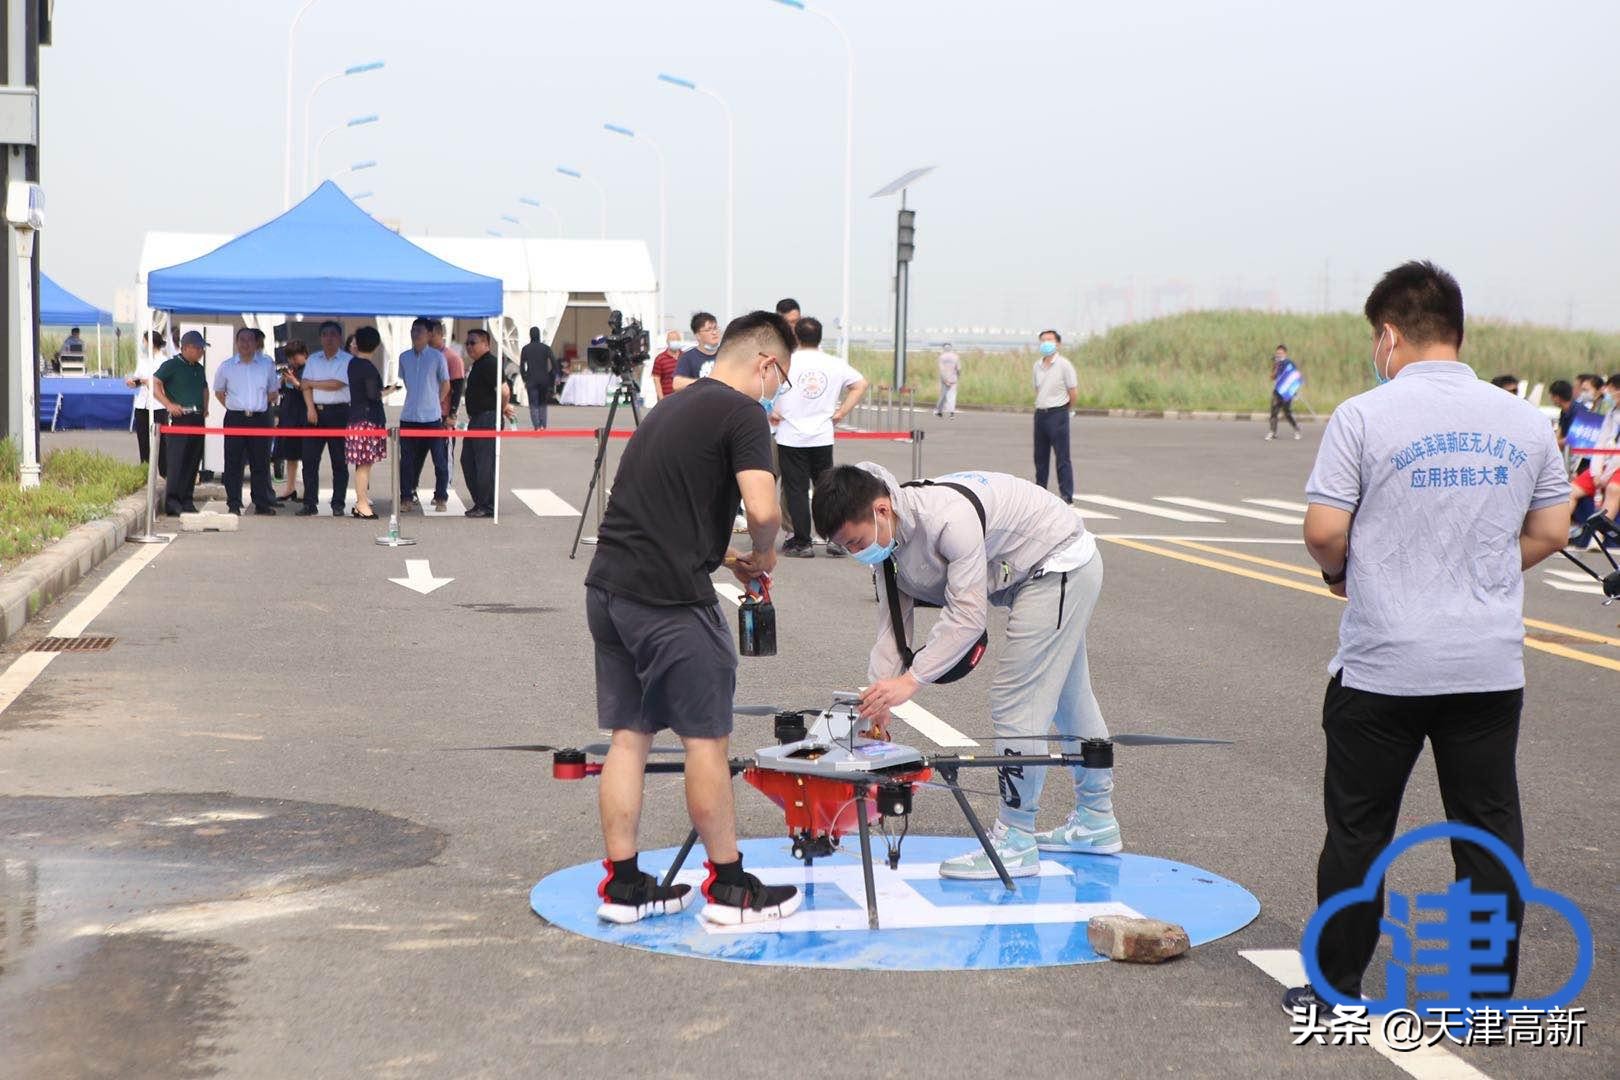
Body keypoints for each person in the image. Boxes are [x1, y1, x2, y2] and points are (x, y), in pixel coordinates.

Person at [1285, 260, 1569, 1015]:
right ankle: (1484, 988)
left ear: (1388, 336)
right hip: (1487, 666)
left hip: (1384, 667)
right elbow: (1551, 529)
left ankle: (1334, 986)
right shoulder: (1523, 420)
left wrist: (1345, 570)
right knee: (1487, 832)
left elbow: (1322, 532)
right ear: (1459, 333)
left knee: (1359, 832)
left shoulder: (1363, 416)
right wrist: (1482, 570)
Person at [585, 310, 802, 926]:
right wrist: (762, 553)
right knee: (706, 740)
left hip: (609, 589)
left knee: (628, 737)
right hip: (668, 602)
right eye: (780, 379)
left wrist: (725, 558)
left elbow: (664, 506)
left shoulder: (672, 406)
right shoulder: (744, 414)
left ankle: (623, 886)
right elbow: (763, 508)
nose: (776, 390)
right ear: (765, 363)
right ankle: (730, 887)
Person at [812, 462, 1120, 879]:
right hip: (1035, 575)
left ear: (881, 510)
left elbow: (968, 618)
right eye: (845, 547)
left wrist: (911, 681)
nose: (855, 553)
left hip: (1059, 563)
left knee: (1017, 700)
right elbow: (892, 630)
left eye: (856, 541)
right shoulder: (889, 547)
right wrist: (879, 698)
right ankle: (1096, 821)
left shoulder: (946, 520)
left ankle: (1015, 840)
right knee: (1071, 698)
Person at [774, 316, 867, 558]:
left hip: (791, 435)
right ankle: (836, 539)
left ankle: (802, 541)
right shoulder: (834, 363)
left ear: (796, 336)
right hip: (822, 435)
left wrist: (771, 408)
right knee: (827, 489)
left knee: (796, 490)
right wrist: (841, 412)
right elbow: (860, 384)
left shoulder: (785, 362)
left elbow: (764, 387)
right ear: (820, 337)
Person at [212, 327, 280, 515]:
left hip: (259, 418)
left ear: (256, 342)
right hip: (236, 417)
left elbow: (273, 392)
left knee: (260, 462)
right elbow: (219, 392)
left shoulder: (266, 365)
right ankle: (234, 503)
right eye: (242, 340)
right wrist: (235, 406)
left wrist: (257, 404)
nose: (245, 344)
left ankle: (261, 502)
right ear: (236, 342)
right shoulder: (227, 366)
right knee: (233, 462)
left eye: (250, 340)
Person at [397, 317, 452, 513]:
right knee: (407, 461)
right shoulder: (404, 357)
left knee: (439, 460)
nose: (415, 333)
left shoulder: (437, 357)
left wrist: (435, 401)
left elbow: (446, 383)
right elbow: (406, 382)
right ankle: (406, 496)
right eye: (413, 330)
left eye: (419, 330)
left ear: (429, 334)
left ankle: (440, 496)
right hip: (409, 417)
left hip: (432, 418)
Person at [152, 330, 210, 515]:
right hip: (180, 418)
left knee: (193, 460)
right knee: (177, 461)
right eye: (199, 348)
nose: (201, 352)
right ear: (187, 347)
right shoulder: (172, 365)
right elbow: (154, 383)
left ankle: (187, 499)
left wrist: (205, 407)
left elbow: (204, 388)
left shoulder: (199, 368)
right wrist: (168, 404)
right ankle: (173, 501)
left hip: (197, 417)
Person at [298, 320, 352, 517]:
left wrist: (312, 383)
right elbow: (304, 386)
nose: (329, 338)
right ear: (320, 338)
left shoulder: (346, 360)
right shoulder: (313, 359)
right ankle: (309, 503)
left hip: (339, 412)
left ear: (339, 338)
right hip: (315, 413)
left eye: (333, 334)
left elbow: (337, 384)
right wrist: (310, 408)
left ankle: (338, 503)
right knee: (310, 460)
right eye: (325, 334)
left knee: (339, 461)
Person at [459, 329, 513, 518]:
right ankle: (480, 501)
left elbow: (505, 391)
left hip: (487, 418)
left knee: (484, 464)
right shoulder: (478, 364)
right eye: (467, 343)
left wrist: (501, 407)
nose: (469, 347)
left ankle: (487, 505)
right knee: (468, 460)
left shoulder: (490, 363)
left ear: (485, 344)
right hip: (477, 418)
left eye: (473, 343)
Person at [346, 327, 388, 520]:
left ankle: (361, 501)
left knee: (362, 464)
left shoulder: (353, 363)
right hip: (367, 419)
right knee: (364, 464)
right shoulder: (368, 367)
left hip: (355, 417)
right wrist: (387, 391)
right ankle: (362, 503)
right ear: (376, 345)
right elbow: (373, 395)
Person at [1032, 329, 1077, 503]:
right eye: (1043, 341)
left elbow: (1072, 391)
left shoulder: (1064, 365)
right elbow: (1037, 389)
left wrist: (1067, 409)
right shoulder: (1037, 365)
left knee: (1062, 457)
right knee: (1040, 457)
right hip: (1041, 414)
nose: (1046, 344)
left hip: (1058, 413)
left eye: (1049, 340)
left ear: (1058, 344)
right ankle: (1039, 492)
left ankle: (1066, 495)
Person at [273, 341, 310, 500]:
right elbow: (278, 390)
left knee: (308, 456)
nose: (292, 361)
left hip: (304, 414)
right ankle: (290, 488)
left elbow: (309, 389)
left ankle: (309, 489)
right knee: (291, 455)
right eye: (290, 358)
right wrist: (283, 379)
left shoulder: (310, 369)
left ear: (304, 354)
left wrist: (295, 382)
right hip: (289, 414)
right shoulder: (291, 369)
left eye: (295, 357)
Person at [128, 330, 167, 467]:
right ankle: (145, 467)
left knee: (161, 441)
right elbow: (137, 379)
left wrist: (147, 381)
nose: (143, 344)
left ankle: (163, 470)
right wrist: (132, 382)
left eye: (144, 341)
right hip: (142, 404)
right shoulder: (143, 361)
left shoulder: (164, 361)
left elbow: (162, 382)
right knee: (143, 439)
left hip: (158, 405)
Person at [672, 311, 721, 391]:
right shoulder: (688, 357)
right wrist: (706, 382)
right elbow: (676, 384)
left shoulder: (726, 354)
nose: (714, 332)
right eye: (708, 330)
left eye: (715, 328)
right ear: (697, 335)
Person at [520, 326, 558, 429]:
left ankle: (536, 425)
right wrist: (551, 375)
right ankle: (543, 425)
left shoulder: (525, 349)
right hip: (544, 379)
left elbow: (522, 366)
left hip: (531, 379)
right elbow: (554, 363)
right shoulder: (546, 348)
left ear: (530, 335)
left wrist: (524, 377)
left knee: (533, 403)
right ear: (539, 335)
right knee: (542, 402)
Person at [431, 320, 466, 425]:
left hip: (443, 413)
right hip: (424, 413)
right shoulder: (424, 356)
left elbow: (458, 386)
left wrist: (452, 414)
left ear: (440, 335)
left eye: (431, 335)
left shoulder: (452, 358)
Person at [1267, 344, 1303, 441]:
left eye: (1281, 353)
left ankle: (1297, 429)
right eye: (1277, 353)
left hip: (1286, 392)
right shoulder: (1276, 364)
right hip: (1277, 391)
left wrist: (1295, 392)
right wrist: (1275, 367)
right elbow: (1272, 377)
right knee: (1273, 412)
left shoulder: (1289, 364)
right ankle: (1272, 432)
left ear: (1285, 353)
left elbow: (1295, 377)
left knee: (1287, 413)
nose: (1278, 354)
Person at [651, 330, 682, 401]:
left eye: (677, 340)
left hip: (684, 399)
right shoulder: (660, 358)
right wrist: (661, 399)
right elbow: (656, 380)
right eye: (672, 340)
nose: (675, 342)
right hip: (667, 399)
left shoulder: (685, 357)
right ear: (667, 342)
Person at [936, 344, 960, 418]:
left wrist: (945, 379)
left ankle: (939, 411)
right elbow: (958, 368)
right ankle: (951, 412)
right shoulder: (956, 357)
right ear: (951, 348)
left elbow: (941, 369)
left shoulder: (941, 357)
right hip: (953, 379)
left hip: (944, 378)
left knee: (943, 395)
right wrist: (958, 376)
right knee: (952, 396)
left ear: (944, 349)